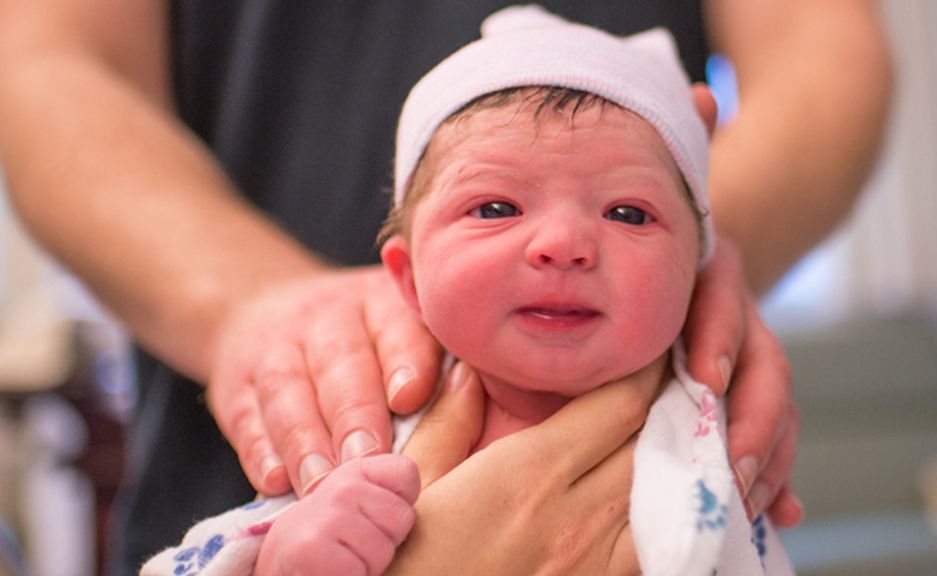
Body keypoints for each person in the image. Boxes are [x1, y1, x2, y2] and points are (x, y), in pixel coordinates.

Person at [0, 1, 891, 574]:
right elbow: (48, 62)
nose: (565, 244)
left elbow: (823, 45)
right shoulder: (353, 451)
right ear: (406, 273)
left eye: (627, 215)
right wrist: (296, 553)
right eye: (497, 206)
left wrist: (708, 235)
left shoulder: (699, 439)